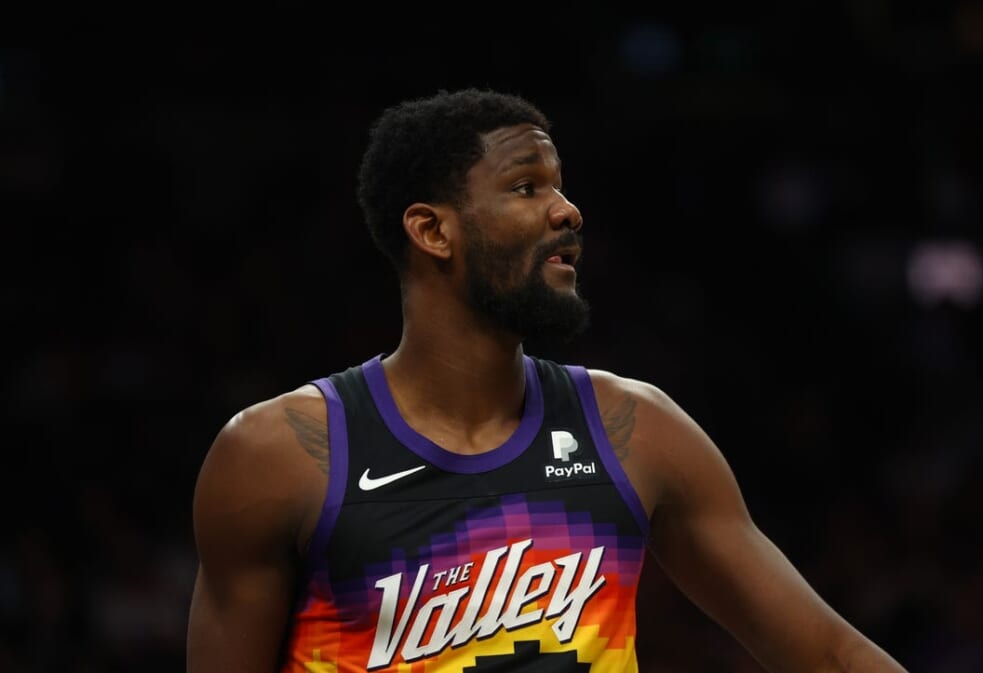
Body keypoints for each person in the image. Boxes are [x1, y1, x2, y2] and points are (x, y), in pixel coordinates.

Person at [186, 87, 908, 673]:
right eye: (527, 187)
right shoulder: (278, 454)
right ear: (433, 231)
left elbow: (831, 656)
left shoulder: (638, 430)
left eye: (560, 187)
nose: (567, 211)